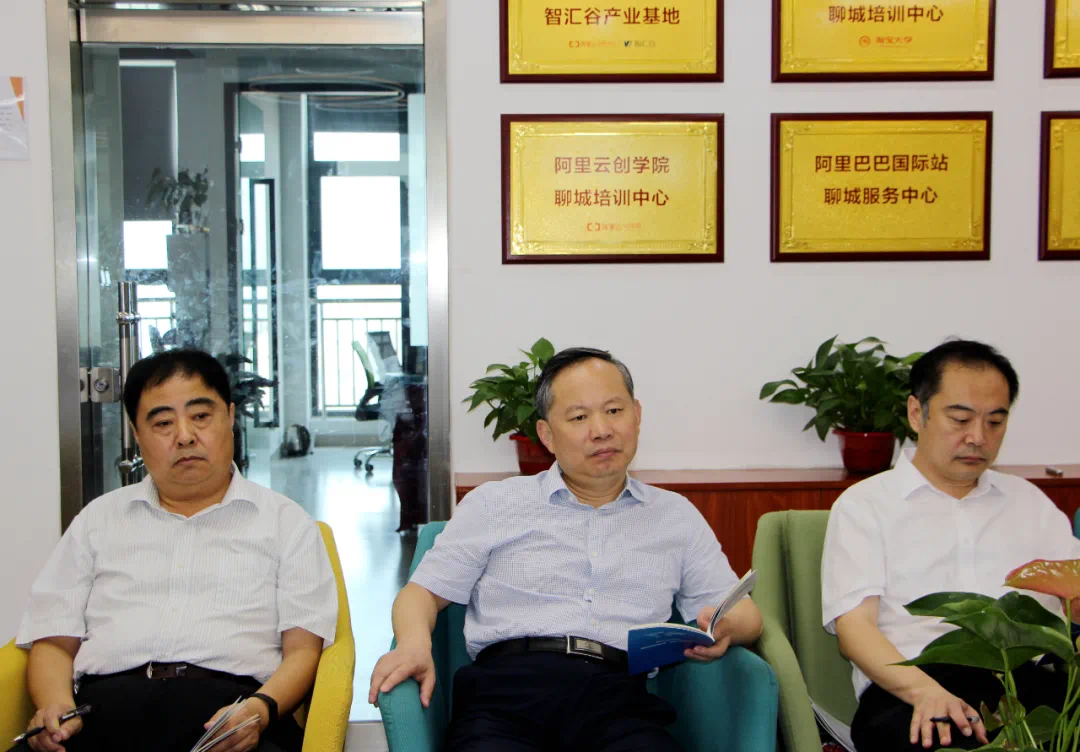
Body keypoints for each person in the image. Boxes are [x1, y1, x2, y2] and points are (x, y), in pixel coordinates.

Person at [369, 347, 762, 751]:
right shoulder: (495, 503)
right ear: (546, 435)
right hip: (506, 697)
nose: (601, 430)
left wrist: (726, 627)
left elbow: (746, 614)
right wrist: (414, 645)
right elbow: (420, 593)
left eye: (614, 411)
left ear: (637, 415)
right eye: (579, 417)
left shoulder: (675, 516)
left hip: (619, 703)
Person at [17, 350, 338, 752]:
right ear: (137, 434)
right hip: (102, 716)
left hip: (229, 720)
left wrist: (260, 710)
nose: (184, 436)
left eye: (200, 416)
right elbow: (53, 638)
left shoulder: (286, 522)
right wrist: (55, 707)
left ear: (230, 416)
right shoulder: (98, 519)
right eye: (163, 423)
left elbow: (303, 650)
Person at [821, 339, 1080, 752]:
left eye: (995, 422)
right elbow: (855, 631)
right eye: (960, 419)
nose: (977, 437)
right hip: (912, 689)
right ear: (916, 413)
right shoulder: (865, 506)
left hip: (1028, 686)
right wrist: (925, 692)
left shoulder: (1030, 503)